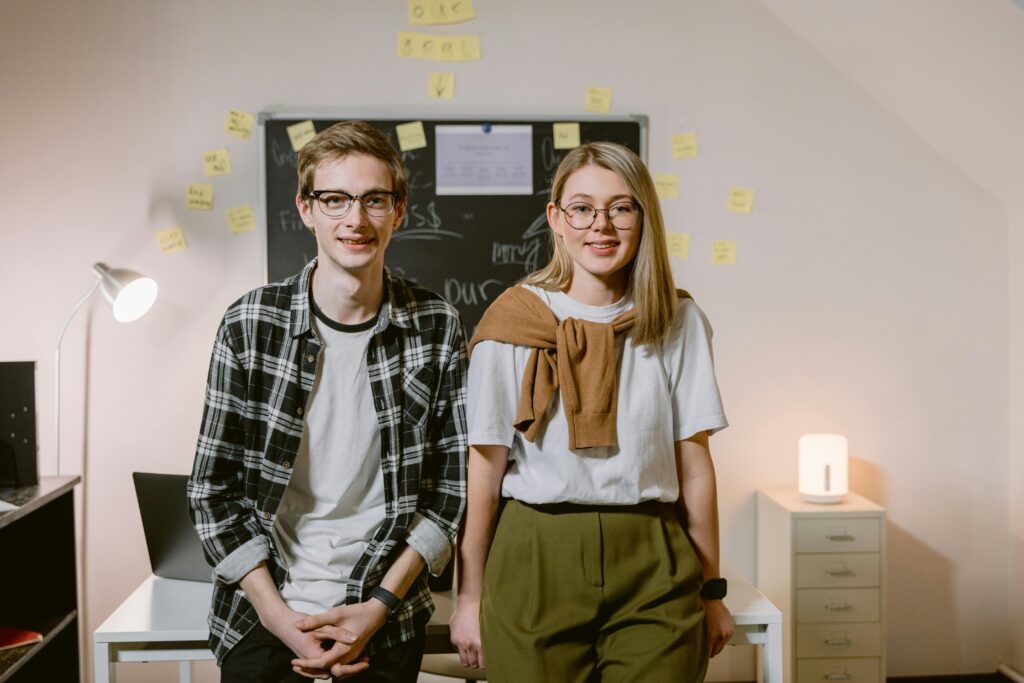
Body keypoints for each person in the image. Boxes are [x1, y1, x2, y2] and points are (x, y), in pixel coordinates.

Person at [187, 120, 467, 682]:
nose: (355, 220)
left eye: (374, 200)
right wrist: (280, 617)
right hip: (263, 614)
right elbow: (212, 490)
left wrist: (379, 607)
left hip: (384, 614)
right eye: (335, 199)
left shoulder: (436, 325)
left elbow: (448, 492)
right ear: (306, 208)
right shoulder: (250, 322)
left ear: (400, 209)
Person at [449, 141, 733, 681]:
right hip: (534, 553)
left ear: (643, 217)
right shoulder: (513, 321)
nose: (600, 225)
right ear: (556, 218)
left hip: (654, 556)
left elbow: (694, 465)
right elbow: (483, 468)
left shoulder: (677, 320)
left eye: (621, 207)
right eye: (582, 208)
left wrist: (712, 590)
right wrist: (469, 598)